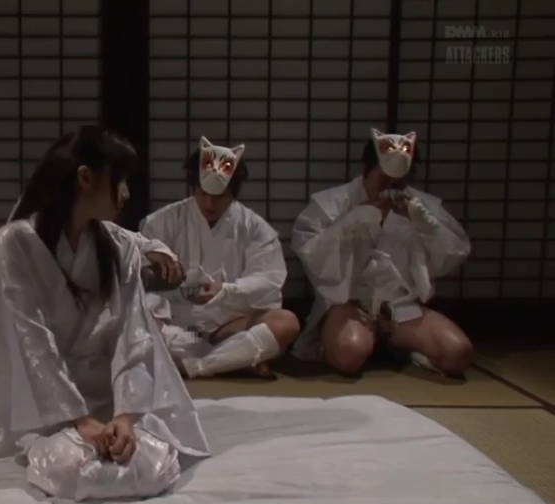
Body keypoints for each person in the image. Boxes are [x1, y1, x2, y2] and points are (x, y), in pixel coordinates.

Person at [0, 126, 210, 502]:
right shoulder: (15, 242)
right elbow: (33, 342)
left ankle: (116, 434)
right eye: (121, 179)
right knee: (72, 468)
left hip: (112, 399)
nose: (127, 192)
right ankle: (64, 440)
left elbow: (133, 336)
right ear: (85, 178)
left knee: (151, 465)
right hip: (48, 405)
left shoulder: (118, 245)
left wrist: (125, 419)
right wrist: (80, 421)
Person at [291, 128, 473, 378]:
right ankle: (334, 346)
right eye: (383, 180)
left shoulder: (420, 206)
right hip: (350, 304)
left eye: (398, 183)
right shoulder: (332, 203)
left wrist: (428, 227)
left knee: (457, 353)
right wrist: (354, 221)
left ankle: (400, 347)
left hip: (400, 306)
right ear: (365, 170)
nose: (390, 189)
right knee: (349, 354)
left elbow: (456, 252)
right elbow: (310, 253)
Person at [0, 206, 184, 380]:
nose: (125, 194)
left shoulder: (105, 232)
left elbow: (142, 244)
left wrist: (159, 253)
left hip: (86, 339)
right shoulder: (24, 234)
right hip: (30, 328)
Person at [140, 136, 300, 380]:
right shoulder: (161, 222)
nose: (209, 203)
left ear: (233, 193)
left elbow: (268, 281)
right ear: (193, 187)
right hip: (173, 326)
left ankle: (198, 366)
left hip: (227, 327)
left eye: (219, 196)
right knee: (139, 326)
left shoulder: (254, 228)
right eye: (203, 193)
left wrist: (223, 291)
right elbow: (141, 283)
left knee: (285, 323)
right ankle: (234, 360)